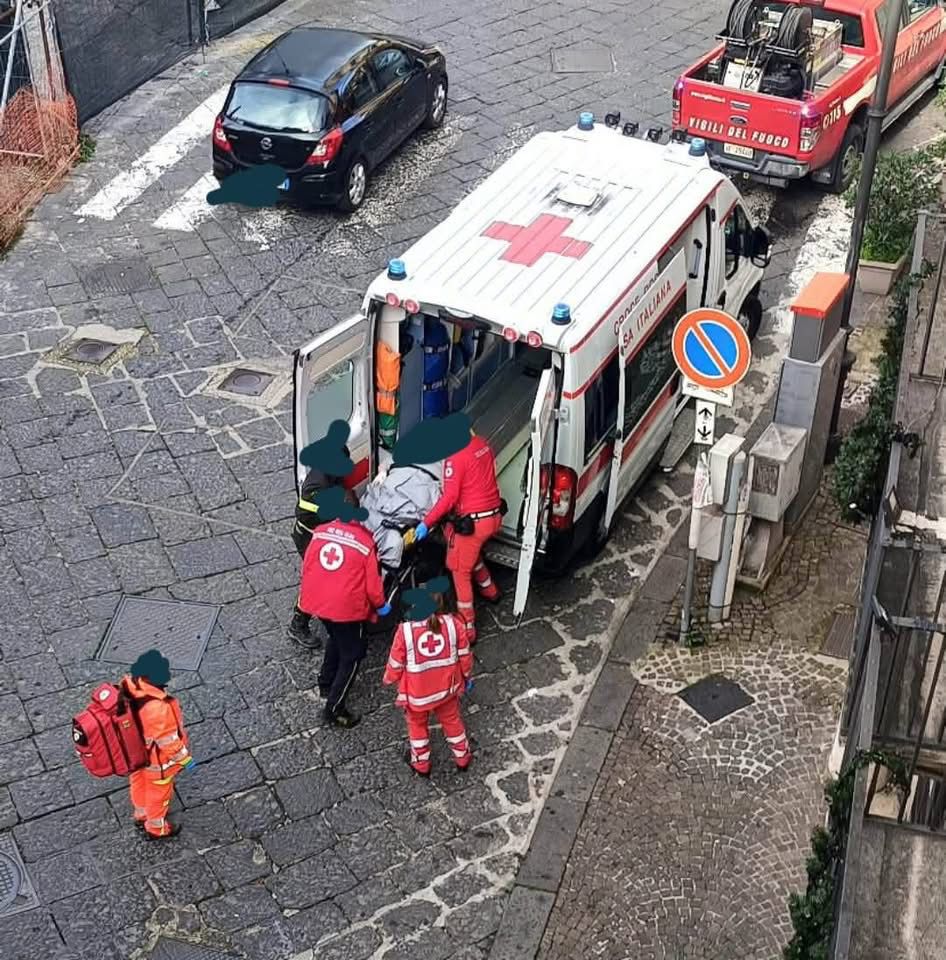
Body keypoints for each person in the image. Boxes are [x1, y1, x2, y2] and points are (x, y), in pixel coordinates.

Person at [409, 427, 502, 640]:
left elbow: (449, 497)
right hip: (494, 516)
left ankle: (467, 627)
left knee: (459, 569)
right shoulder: (482, 443)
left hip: (474, 523)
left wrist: (426, 523)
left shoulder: (455, 456)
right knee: (469, 554)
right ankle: (490, 590)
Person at [298, 516, 388, 728]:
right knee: (353, 654)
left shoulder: (320, 531)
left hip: (317, 602)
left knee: (336, 638)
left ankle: (326, 682)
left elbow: (307, 565)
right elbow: (373, 587)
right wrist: (381, 605)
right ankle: (335, 708)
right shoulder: (365, 543)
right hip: (346, 610)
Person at [382, 593, 473, 775]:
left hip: (417, 694)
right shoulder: (454, 625)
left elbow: (396, 663)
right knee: (452, 721)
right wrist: (467, 677)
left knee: (416, 727)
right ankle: (462, 757)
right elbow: (465, 657)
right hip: (447, 690)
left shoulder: (405, 631)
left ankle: (421, 763)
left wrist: (389, 679)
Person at [288, 445, 358, 646]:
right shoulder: (316, 485)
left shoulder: (330, 472)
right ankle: (298, 624)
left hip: (322, 535)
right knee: (317, 581)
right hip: (309, 536)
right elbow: (305, 513)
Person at [122, 650, 193, 839]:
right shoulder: (158, 708)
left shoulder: (129, 687)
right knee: (159, 794)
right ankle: (156, 828)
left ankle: (141, 813)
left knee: (138, 782)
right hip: (156, 762)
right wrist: (185, 760)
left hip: (135, 755)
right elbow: (168, 742)